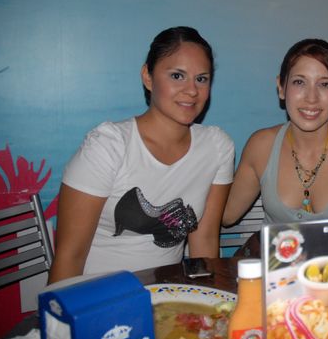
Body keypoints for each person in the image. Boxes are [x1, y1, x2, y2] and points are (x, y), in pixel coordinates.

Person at [48, 26, 234, 283]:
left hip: (168, 293)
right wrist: (60, 310)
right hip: (96, 294)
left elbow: (204, 240)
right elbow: (70, 257)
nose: (192, 90)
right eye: (177, 76)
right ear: (148, 76)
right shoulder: (108, 146)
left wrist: (206, 301)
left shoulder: (217, 146)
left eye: (201, 79)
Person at [223, 39, 328, 267]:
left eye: (325, 84)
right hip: (266, 272)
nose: (311, 98)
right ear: (281, 87)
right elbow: (227, 215)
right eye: (299, 82)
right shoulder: (262, 145)